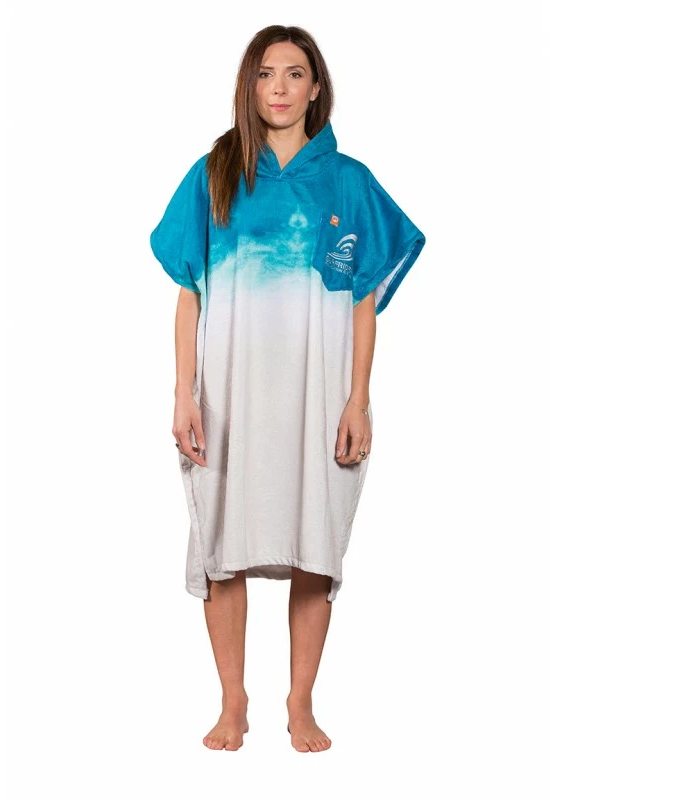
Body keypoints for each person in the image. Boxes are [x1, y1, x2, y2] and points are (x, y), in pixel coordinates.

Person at [150, 25, 426, 753]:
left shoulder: (348, 182)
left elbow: (363, 299)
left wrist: (358, 399)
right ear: (249, 84)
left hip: (317, 392)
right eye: (265, 73)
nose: (278, 87)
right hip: (229, 393)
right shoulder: (216, 172)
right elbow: (188, 293)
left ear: (315, 87)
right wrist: (183, 393)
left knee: (315, 542)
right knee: (222, 542)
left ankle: (300, 702)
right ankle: (233, 701)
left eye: (294, 73)